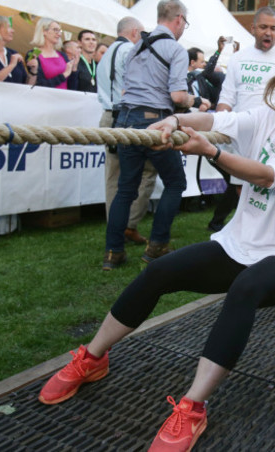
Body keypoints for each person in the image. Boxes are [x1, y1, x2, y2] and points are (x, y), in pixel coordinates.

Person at [38, 62, 275, 451]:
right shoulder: (269, 117)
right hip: (236, 244)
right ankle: (92, 357)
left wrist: (210, 150)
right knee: (159, 271)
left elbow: (266, 175)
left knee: (245, 290)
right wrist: (175, 118)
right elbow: (215, 118)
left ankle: (192, 406)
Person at [103, 0, 209, 269]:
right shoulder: (175, 49)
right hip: (153, 122)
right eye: (185, 23)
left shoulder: (137, 46)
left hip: (125, 120)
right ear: (179, 19)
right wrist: (198, 103)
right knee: (175, 182)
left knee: (126, 187)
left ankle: (113, 253)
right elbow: (176, 96)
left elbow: (128, 90)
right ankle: (157, 245)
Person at [208, 6, 275, 232]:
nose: (268, 33)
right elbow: (227, 96)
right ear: (253, 29)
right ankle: (248, 231)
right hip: (241, 136)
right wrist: (219, 127)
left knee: (271, 186)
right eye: (263, 27)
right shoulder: (239, 58)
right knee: (242, 189)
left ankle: (269, 232)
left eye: (273, 28)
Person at [96, 16, 158, 247]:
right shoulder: (130, 51)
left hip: (108, 116)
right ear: (134, 32)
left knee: (113, 176)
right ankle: (128, 224)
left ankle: (115, 227)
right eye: (141, 34)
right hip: (128, 117)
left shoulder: (105, 55)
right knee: (147, 171)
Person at [26, 18, 77, 90]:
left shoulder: (62, 55)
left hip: (64, 99)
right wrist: (64, 75)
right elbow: (38, 85)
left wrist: (74, 69)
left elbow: (72, 86)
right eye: (55, 30)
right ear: (44, 31)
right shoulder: (34, 54)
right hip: (45, 99)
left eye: (60, 31)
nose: (59, 34)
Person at [186, 37, 225, 110]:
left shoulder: (201, 78)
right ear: (192, 62)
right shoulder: (181, 78)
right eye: (202, 62)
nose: (204, 64)